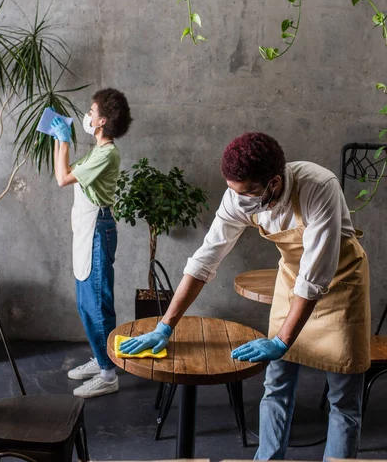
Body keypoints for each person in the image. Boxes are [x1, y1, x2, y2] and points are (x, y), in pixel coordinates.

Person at [121, 132, 370, 459]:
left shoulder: (319, 186)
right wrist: (166, 325)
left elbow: (315, 276)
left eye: (248, 192)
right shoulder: (239, 195)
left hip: (340, 281)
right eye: (234, 190)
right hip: (293, 277)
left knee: (343, 399)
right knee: (276, 385)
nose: (240, 200)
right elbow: (205, 259)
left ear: (275, 183)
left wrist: (281, 340)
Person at [51, 88, 132, 398]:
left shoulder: (107, 153)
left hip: (98, 229)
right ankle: (101, 359)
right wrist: (61, 140)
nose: (86, 114)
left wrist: (63, 139)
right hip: (89, 229)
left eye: (90, 110)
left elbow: (61, 178)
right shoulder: (97, 152)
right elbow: (68, 172)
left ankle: (109, 374)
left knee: (97, 301)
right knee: (87, 300)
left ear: (101, 121)